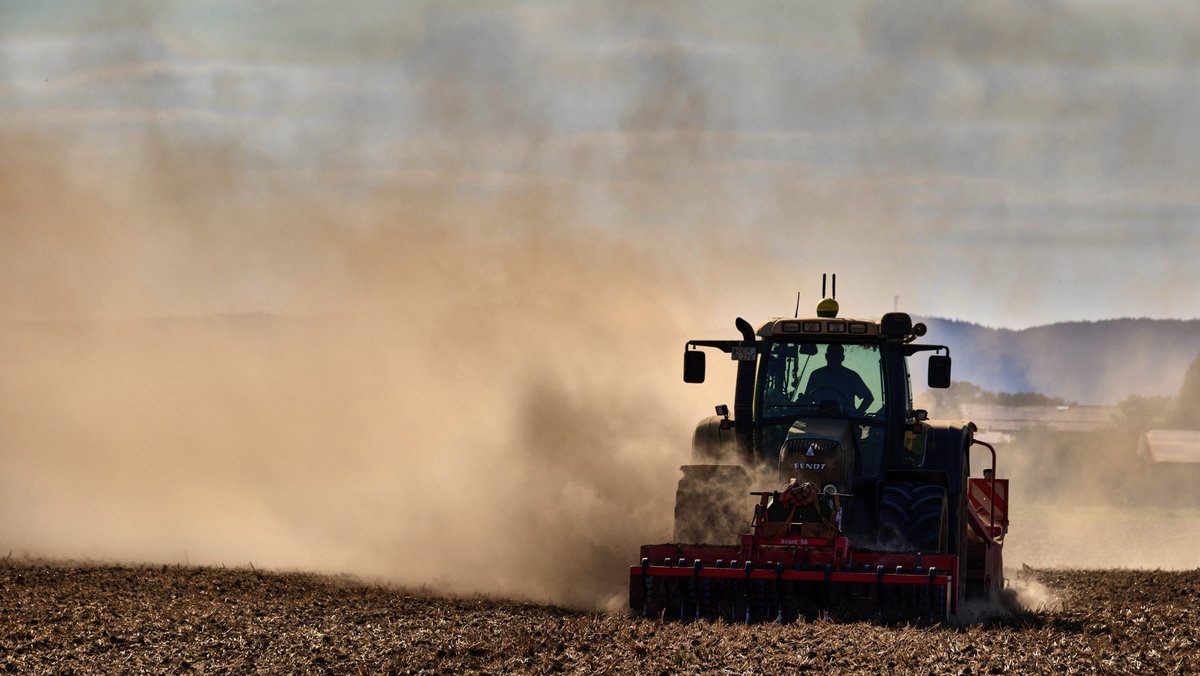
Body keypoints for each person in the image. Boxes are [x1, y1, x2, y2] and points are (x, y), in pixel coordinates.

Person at [804, 343, 874, 415]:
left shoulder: (851, 376)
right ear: (826, 356)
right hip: (819, 418)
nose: (834, 359)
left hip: (846, 418)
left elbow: (868, 397)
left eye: (836, 357)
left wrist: (857, 414)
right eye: (831, 356)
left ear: (842, 358)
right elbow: (807, 399)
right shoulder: (816, 375)